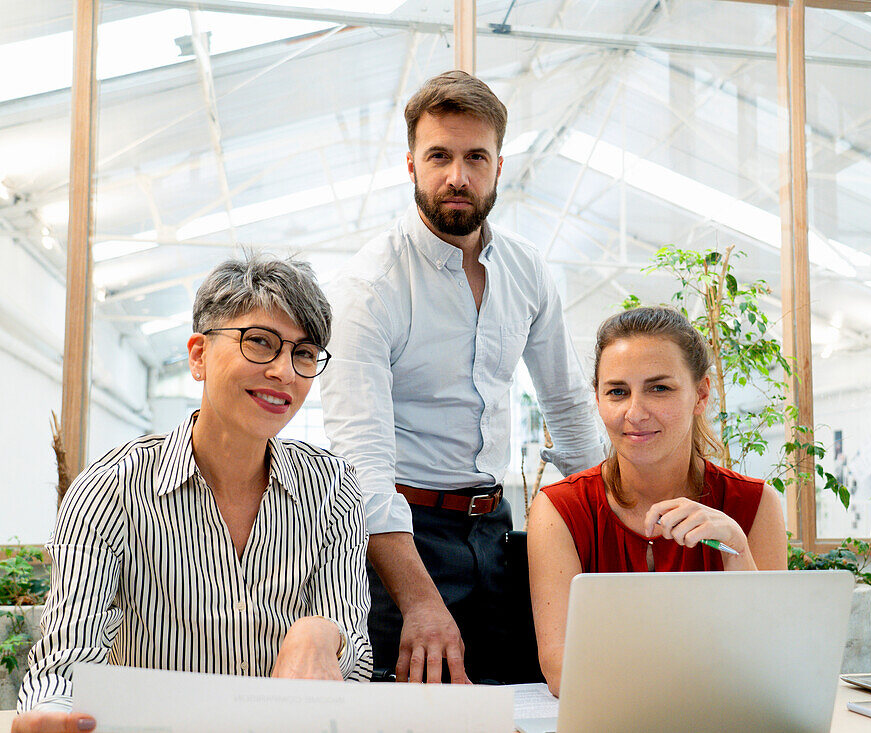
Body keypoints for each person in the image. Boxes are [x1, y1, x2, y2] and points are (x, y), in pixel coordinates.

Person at [320, 70, 604, 685]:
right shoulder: (369, 288)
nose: (458, 176)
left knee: (521, 704)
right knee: (415, 721)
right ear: (411, 164)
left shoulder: (526, 270)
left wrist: (612, 532)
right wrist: (421, 601)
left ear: (499, 165)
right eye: (439, 156)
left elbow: (571, 410)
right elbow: (361, 466)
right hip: (400, 541)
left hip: (497, 532)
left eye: (476, 157)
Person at [13, 255, 372, 733]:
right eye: (260, 342)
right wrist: (53, 717)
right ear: (199, 356)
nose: (285, 372)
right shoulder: (110, 489)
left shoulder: (333, 488)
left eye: (304, 354)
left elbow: (356, 656)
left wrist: (322, 633)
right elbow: (65, 664)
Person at [527, 306, 787, 695]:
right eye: (617, 392)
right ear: (597, 400)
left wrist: (737, 552)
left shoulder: (754, 504)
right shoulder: (560, 509)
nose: (635, 412)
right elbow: (562, 669)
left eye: (659, 388)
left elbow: (772, 663)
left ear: (700, 395)